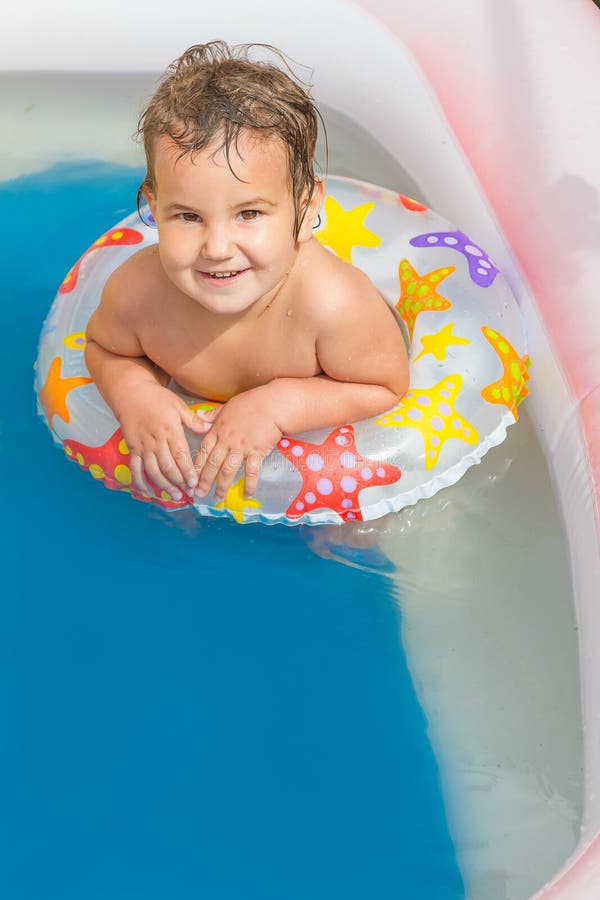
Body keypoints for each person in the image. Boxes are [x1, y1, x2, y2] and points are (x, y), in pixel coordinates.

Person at [85, 41, 409, 505]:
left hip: (328, 463)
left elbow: (384, 385)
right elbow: (103, 348)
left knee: (354, 531)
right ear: (154, 208)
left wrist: (279, 405)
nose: (217, 248)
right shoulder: (138, 293)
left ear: (306, 204)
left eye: (250, 213)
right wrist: (135, 395)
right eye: (188, 216)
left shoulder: (331, 305)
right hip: (206, 463)